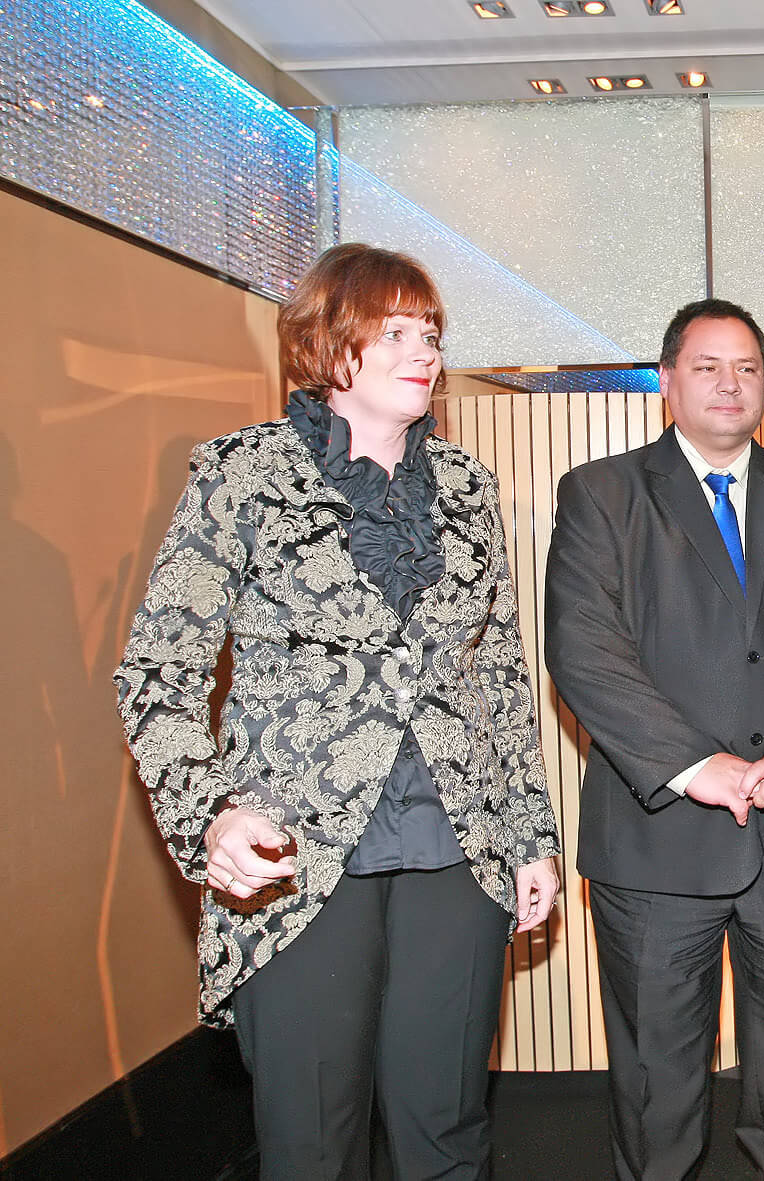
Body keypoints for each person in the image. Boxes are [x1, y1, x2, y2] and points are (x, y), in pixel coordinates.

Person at [115, 242, 562, 1179]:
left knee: (447, 1130)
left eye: (430, 333)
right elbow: (158, 672)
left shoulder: (470, 489)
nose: (423, 350)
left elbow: (501, 677)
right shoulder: (243, 473)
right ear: (327, 342)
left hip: (457, 849)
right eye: (394, 331)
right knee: (313, 1142)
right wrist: (210, 816)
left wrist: (532, 837)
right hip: (298, 854)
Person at [543, 298, 764, 1181]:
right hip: (658, 842)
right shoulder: (602, 495)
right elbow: (584, 650)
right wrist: (693, 763)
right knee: (658, 1080)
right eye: (707, 366)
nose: (730, 384)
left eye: (747, 368)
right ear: (666, 381)